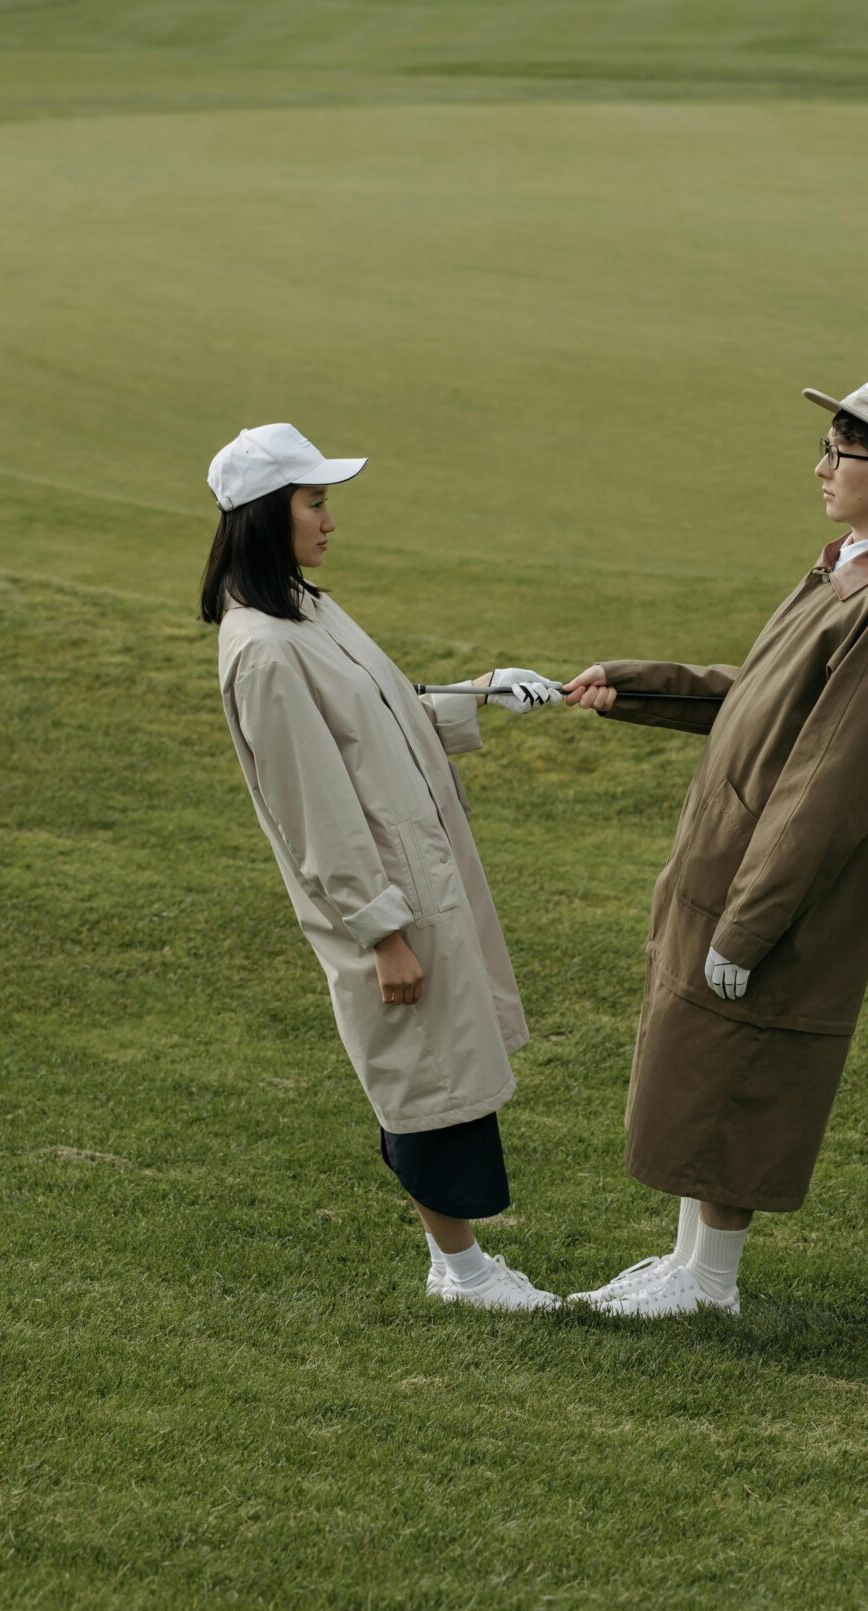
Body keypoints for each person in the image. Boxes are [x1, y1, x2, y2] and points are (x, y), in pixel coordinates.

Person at [560, 381, 868, 1318]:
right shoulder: (844, 568)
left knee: (736, 1071)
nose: (821, 469)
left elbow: (827, 787)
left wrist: (749, 926)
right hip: (724, 866)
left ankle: (711, 1285)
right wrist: (635, 686)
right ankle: (686, 1264)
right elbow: (762, 698)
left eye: (843, 456)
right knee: (699, 1062)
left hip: (766, 893)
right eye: (824, 447)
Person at [205, 422, 566, 1312]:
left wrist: (483, 690)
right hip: (389, 901)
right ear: (265, 514)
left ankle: (464, 1265)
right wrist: (381, 931)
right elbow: (315, 811)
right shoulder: (264, 649)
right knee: (425, 1081)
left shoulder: (308, 608)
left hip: (418, 880)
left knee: (445, 1065)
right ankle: (464, 1272)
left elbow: (385, 716)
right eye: (315, 502)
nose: (330, 520)